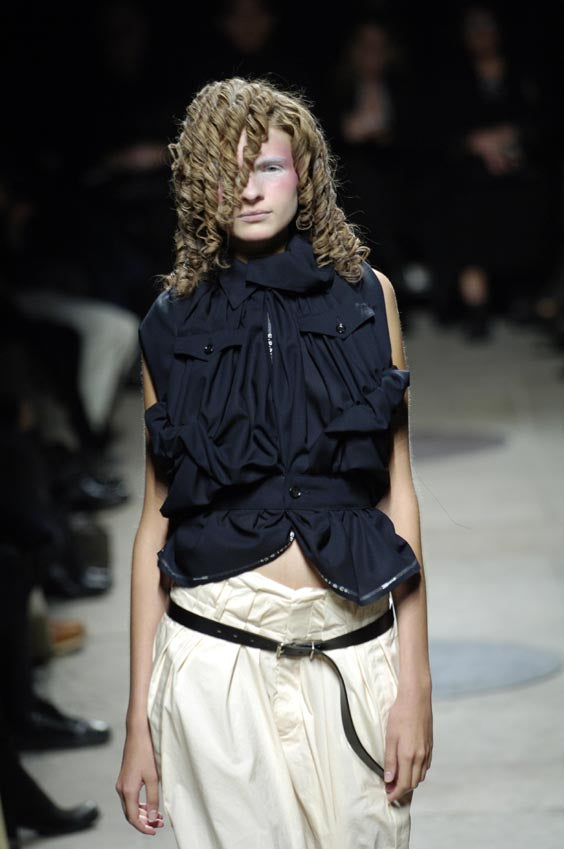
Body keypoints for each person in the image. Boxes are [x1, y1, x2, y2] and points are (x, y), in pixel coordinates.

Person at [116, 76, 433, 849]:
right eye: (226, 171)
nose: (250, 190)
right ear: (198, 183)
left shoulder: (368, 297)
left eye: (267, 166)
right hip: (213, 657)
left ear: (305, 173)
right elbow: (155, 521)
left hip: (351, 645)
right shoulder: (169, 324)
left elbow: (399, 493)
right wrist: (138, 721)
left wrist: (416, 681)